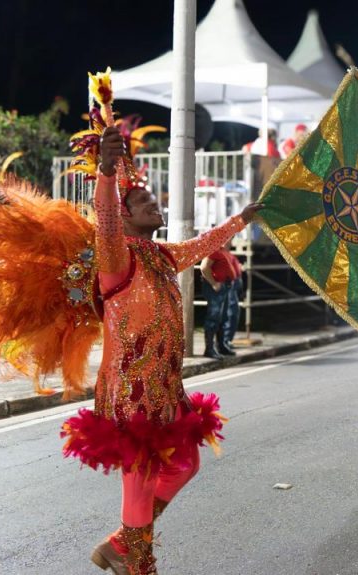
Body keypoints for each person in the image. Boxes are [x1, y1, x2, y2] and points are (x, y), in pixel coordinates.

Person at [63, 126, 262, 574]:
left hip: (166, 384)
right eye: (146, 203)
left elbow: (201, 245)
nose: (156, 206)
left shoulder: (161, 254)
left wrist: (242, 220)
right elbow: (106, 219)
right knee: (141, 476)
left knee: (185, 462)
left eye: (155, 201)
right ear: (125, 216)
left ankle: (121, 544)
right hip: (131, 387)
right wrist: (107, 173)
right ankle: (136, 563)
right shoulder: (116, 256)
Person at [200, 238, 243, 359]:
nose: (230, 240)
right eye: (229, 237)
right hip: (217, 287)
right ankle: (209, 348)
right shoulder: (215, 250)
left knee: (223, 317)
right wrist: (213, 283)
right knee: (214, 316)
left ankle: (221, 346)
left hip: (225, 285)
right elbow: (204, 267)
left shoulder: (224, 251)